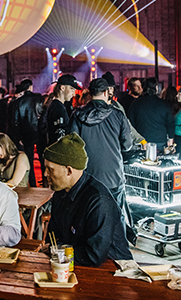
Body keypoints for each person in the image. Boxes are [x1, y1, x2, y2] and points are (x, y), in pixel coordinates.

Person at [44, 133, 133, 266]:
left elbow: (94, 255)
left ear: (69, 171)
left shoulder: (98, 200)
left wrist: (57, 249)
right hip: (73, 263)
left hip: (112, 268)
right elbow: (53, 236)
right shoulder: (61, 192)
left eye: (50, 169)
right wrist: (54, 248)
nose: (45, 174)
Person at [69, 78, 136, 245]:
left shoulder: (77, 114)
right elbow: (127, 146)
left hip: (87, 177)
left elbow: (72, 144)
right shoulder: (118, 115)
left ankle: (94, 248)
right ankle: (118, 249)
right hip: (113, 175)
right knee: (117, 215)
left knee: (89, 215)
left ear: (90, 94)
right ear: (107, 93)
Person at [9, 79, 44, 187]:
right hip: (39, 132)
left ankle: (32, 183)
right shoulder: (39, 98)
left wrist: (18, 136)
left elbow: (15, 121)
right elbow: (43, 116)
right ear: (31, 87)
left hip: (25, 133)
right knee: (42, 159)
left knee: (29, 159)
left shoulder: (18, 102)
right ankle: (45, 181)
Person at [128, 77, 175, 148]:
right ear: (156, 88)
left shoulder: (135, 103)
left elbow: (130, 124)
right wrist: (170, 140)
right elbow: (170, 123)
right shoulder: (164, 104)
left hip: (142, 141)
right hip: (160, 140)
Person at [46, 74, 80, 146]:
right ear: (62, 88)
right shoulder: (58, 108)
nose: (73, 94)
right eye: (72, 89)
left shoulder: (57, 105)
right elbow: (59, 136)